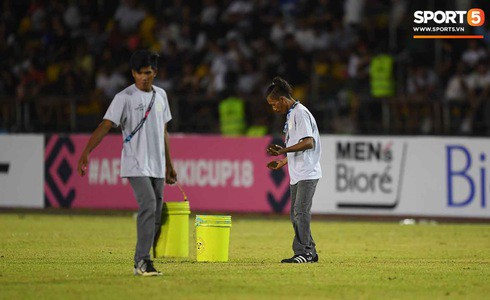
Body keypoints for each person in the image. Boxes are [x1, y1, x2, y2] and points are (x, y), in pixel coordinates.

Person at [77, 50, 177, 276]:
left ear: (155, 72)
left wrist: (169, 164)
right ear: (133, 73)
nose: (144, 77)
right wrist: (86, 152)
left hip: (158, 165)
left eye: (148, 73)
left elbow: (164, 131)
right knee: (149, 205)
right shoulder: (124, 98)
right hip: (135, 163)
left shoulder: (161, 95)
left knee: (157, 213)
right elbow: (105, 125)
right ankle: (142, 260)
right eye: (140, 73)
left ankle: (144, 260)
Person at [265, 77, 322, 263]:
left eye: (274, 105)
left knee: (300, 213)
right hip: (297, 173)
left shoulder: (300, 113)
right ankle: (310, 251)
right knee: (296, 214)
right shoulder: (292, 115)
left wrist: (284, 150)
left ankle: (303, 253)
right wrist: (283, 161)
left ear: (282, 99)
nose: (274, 109)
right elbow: (297, 144)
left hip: (307, 173)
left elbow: (308, 142)